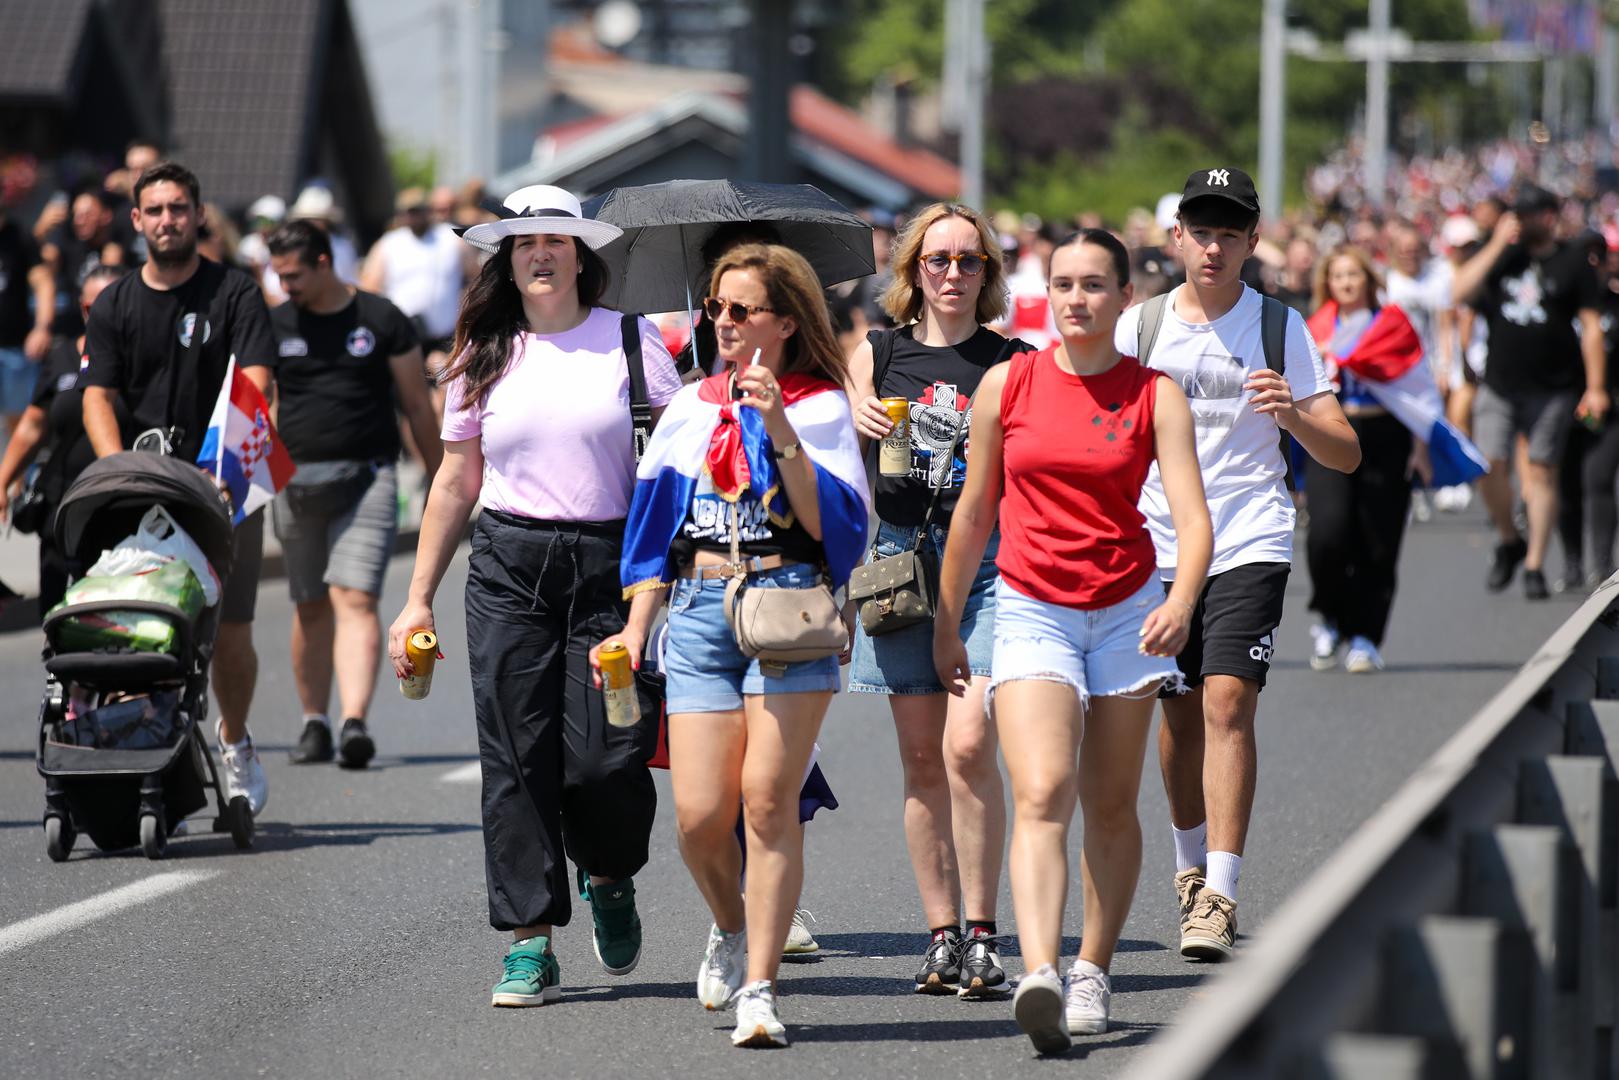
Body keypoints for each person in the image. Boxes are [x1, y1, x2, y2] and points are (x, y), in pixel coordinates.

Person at [386, 184, 681, 1009]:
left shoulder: (631, 340)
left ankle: (610, 873)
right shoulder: (482, 350)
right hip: (508, 565)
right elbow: (455, 479)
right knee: (516, 758)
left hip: (612, 567)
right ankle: (529, 943)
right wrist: (417, 600)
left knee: (606, 756)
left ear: (581, 256)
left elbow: (672, 464)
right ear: (507, 262)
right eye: (524, 243)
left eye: (555, 240)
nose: (540, 254)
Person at [936, 229, 1210, 1052]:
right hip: (1030, 607)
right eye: (1062, 284)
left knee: (1111, 801)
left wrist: (1182, 602)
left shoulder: (1154, 393)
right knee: (1042, 788)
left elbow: (1192, 518)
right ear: (1044, 293)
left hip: (1128, 612)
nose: (1075, 299)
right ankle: (1041, 972)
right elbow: (974, 511)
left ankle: (1092, 966)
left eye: (1093, 285)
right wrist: (946, 621)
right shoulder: (1008, 383)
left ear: (1125, 297)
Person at [601, 243, 869, 1048]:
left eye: (741, 309)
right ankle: (729, 922)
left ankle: (760, 987)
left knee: (766, 801)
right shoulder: (690, 406)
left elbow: (835, 528)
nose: (722, 321)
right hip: (696, 611)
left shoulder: (819, 406)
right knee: (697, 817)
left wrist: (776, 422)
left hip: (786, 609)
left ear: (784, 322)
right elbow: (652, 530)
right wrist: (636, 626)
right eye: (716, 307)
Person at [1115, 167, 1359, 964]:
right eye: (1200, 232)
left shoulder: (1280, 327)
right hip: (1156, 543)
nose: (1212, 248)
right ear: (1176, 237)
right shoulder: (1139, 328)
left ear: (1253, 241)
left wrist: (1292, 415)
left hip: (1249, 535)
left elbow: (1345, 452)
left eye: (1228, 233)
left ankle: (1218, 892)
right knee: (1178, 713)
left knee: (1227, 702)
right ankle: (1188, 869)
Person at [844, 201, 1029, 998]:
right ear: (913, 269)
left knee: (967, 744)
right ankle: (942, 934)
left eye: (968, 260)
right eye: (938, 259)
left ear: (987, 272)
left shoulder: (1012, 360)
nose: (953, 273)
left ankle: (983, 933)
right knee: (921, 758)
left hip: (987, 563)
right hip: (901, 563)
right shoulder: (876, 351)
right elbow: (835, 461)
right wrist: (849, 419)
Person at [81, 161, 280, 816]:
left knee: (230, 632)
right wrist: (115, 470)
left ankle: (235, 742)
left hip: (221, 483)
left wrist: (225, 474)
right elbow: (97, 396)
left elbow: (255, 381)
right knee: (137, 623)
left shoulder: (235, 291)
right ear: (137, 220)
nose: (168, 220)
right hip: (142, 488)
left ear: (197, 215)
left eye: (179, 208)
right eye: (156, 210)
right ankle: (141, 742)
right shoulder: (114, 302)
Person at [267, 220, 440, 767]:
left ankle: (354, 722)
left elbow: (416, 404)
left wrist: (441, 480)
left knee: (356, 598)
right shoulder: (274, 324)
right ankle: (314, 723)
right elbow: (261, 404)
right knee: (310, 605)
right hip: (294, 484)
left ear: (324, 263)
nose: (285, 286)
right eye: (279, 276)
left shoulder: (380, 318)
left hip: (368, 477)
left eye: (293, 276)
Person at [1450, 185, 1607, 599]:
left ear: (1549, 217)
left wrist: (1595, 387)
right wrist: (1496, 245)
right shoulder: (1502, 256)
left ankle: (1535, 563)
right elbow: (1459, 293)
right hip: (1500, 383)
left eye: (1528, 214)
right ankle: (1510, 538)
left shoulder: (1572, 261)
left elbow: (1591, 327)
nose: (1519, 220)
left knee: (1541, 471)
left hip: (1553, 388)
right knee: (1487, 462)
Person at [1304, 248, 1433, 674]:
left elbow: (1418, 390)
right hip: (1331, 435)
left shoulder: (1392, 324)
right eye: (1338, 275)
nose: (1346, 282)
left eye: (1353, 274)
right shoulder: (1314, 328)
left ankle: (1365, 636)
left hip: (1384, 436)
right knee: (1327, 533)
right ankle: (1329, 615)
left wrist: (1420, 447)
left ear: (1368, 280)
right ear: (1328, 282)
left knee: (1378, 538)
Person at [0, 266, 126, 611]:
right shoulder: (62, 358)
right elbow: (33, 425)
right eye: (93, 307)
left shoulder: (145, 360)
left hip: (123, 512)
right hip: (62, 509)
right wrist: (4, 480)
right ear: (82, 308)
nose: (103, 315)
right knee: (59, 617)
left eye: (114, 304)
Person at [360, 186, 476, 412]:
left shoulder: (450, 238)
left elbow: (475, 276)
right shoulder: (389, 244)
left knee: (449, 393)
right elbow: (369, 288)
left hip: (445, 336)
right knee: (410, 400)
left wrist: (467, 312)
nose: (414, 217)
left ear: (428, 211)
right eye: (408, 212)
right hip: (404, 338)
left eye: (418, 211)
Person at [40, 187, 128, 337]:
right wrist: (42, 230)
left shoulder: (115, 249)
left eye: (87, 214)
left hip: (106, 328)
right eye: (76, 215)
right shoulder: (71, 248)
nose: (79, 221)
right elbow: (44, 267)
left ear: (106, 215)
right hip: (75, 326)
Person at [0, 198, 55, 436]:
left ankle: (14, 462)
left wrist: (42, 327)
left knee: (19, 419)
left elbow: (43, 283)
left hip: (14, 347)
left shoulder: (20, 236)